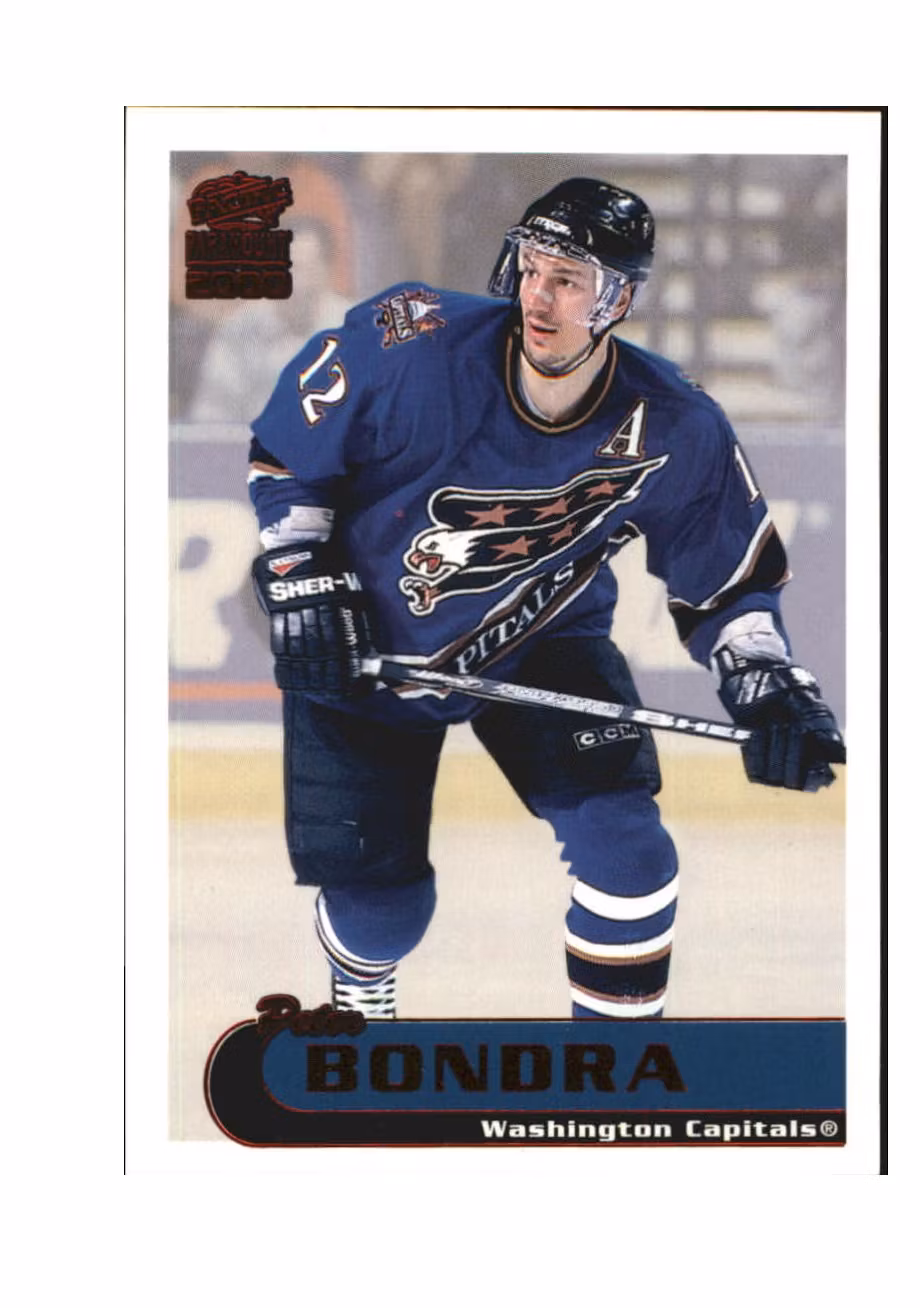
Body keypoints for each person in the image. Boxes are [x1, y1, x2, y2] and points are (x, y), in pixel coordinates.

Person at [247, 177, 845, 1021]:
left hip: (540, 637)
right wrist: (301, 567)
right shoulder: (413, 341)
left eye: (569, 280)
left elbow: (726, 580)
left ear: (618, 300)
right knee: (384, 916)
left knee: (631, 856)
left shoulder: (675, 423)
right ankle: (361, 981)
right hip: (365, 648)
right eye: (532, 268)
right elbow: (288, 451)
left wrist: (766, 683)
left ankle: (613, 1066)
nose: (539, 296)